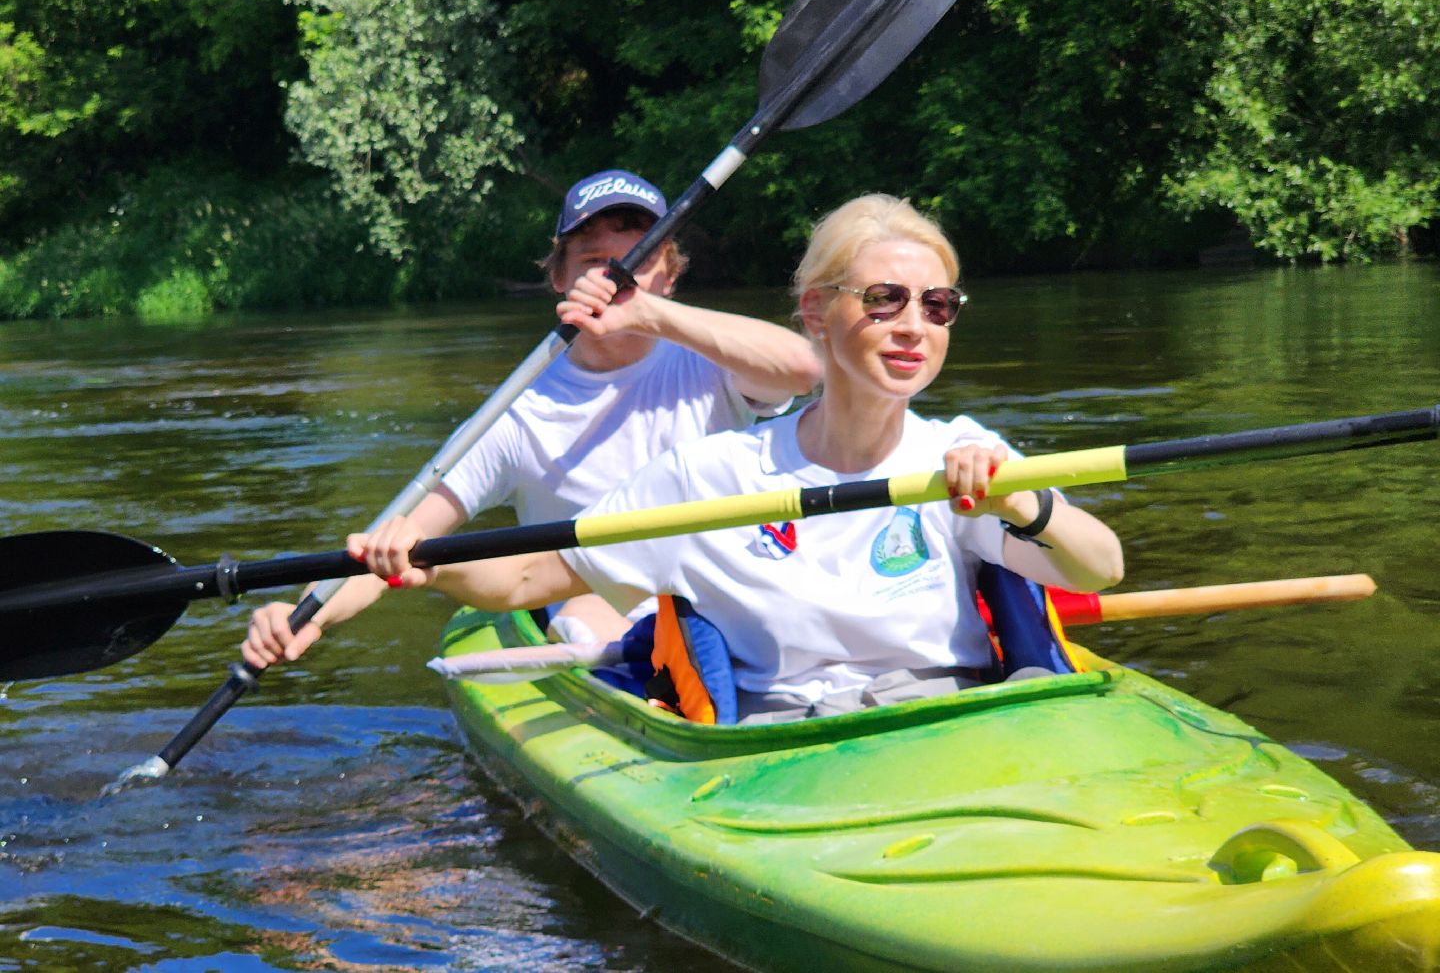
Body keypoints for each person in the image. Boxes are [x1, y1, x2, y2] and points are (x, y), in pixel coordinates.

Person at [349, 193, 1124, 723]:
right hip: (782, 749)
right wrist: (427, 562)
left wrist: (1023, 504)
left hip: (953, 720)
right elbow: (523, 577)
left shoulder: (962, 451)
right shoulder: (708, 478)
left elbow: (1100, 568)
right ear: (818, 311)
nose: (913, 325)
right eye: (884, 299)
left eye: (937, 305)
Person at [241, 168, 822, 671]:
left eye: (637, 260)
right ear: (560, 279)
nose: (616, 275)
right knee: (586, 610)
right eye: (595, 260)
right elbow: (397, 539)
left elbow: (805, 371)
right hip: (591, 615)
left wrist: (648, 315)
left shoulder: (715, 362)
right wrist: (305, 616)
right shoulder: (515, 413)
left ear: (668, 277)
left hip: (728, 604)